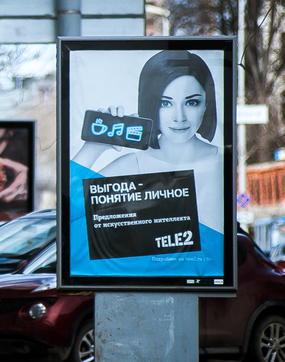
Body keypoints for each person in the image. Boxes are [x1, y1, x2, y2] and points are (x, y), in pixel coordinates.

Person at [72, 50, 223, 232]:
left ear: (207, 103)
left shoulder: (222, 161)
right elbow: (71, 207)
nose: (179, 117)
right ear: (150, 103)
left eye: (191, 103)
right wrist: (94, 146)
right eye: (165, 103)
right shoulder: (134, 166)